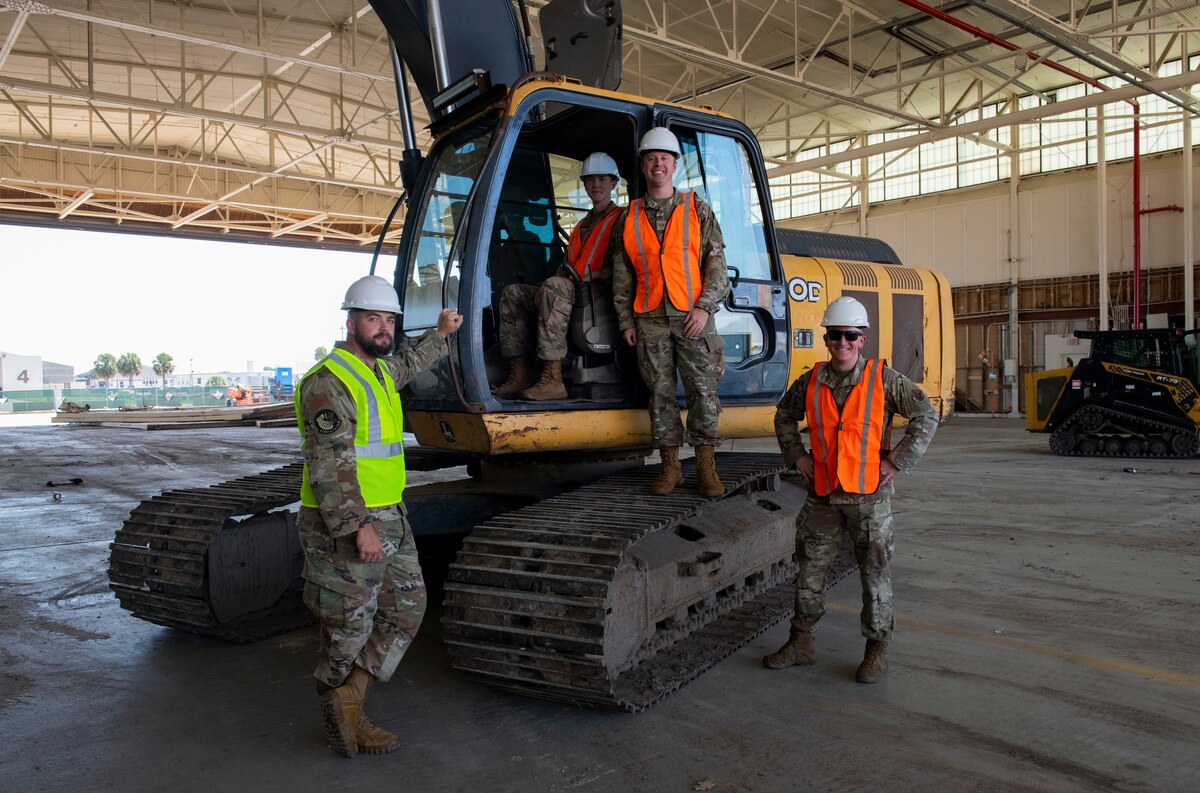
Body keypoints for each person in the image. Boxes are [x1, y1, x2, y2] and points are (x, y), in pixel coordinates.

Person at [294, 274, 463, 757]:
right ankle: (339, 710)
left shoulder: (380, 372)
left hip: (392, 515)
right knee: (349, 623)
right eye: (374, 318)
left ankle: (351, 699)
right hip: (349, 524)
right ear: (351, 321)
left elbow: (409, 362)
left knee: (406, 608)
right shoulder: (327, 382)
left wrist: (442, 334)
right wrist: (356, 526)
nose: (384, 328)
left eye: (389, 320)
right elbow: (329, 464)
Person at [763, 296, 938, 683]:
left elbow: (926, 415)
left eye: (850, 336)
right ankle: (801, 643)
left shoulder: (884, 379)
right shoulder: (811, 380)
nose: (841, 342)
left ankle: (876, 650)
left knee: (874, 574)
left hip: (868, 500)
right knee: (809, 571)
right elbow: (784, 415)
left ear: (862, 339)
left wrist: (896, 461)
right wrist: (796, 456)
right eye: (835, 335)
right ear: (826, 339)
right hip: (822, 494)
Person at [611, 127, 729, 497]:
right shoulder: (627, 216)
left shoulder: (697, 208)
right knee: (660, 394)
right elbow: (621, 273)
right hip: (649, 319)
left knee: (702, 392)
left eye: (665, 158)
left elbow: (717, 263)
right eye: (651, 158)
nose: (658, 164)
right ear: (643, 166)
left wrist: (705, 308)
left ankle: (706, 471)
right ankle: (670, 469)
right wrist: (626, 320)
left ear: (675, 165)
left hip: (692, 316)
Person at [494, 153, 624, 400]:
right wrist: (547, 284)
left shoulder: (621, 219)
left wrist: (587, 277)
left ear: (614, 183)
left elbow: (623, 268)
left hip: (600, 293)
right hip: (573, 288)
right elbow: (568, 264)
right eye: (589, 179)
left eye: (601, 179)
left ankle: (552, 378)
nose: (595, 184)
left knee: (554, 287)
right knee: (514, 294)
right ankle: (519, 371)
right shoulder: (582, 225)